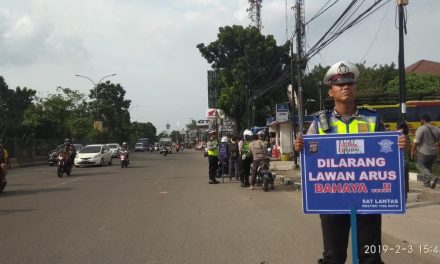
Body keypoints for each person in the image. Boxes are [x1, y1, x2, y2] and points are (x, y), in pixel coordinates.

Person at [294, 61, 408, 264]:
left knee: (370, 258)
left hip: (368, 199)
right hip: (331, 199)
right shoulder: (319, 123)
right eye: (339, 85)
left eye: (349, 83)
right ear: (331, 92)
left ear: (356, 89)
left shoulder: (373, 119)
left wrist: (399, 145)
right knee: (333, 257)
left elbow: (388, 156)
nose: (345, 87)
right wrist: (300, 149)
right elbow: (309, 164)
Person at [411, 114, 440, 189]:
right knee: (427, 168)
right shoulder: (437, 128)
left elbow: (416, 141)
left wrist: (412, 151)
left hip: (423, 152)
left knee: (420, 166)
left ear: (423, 120)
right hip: (434, 153)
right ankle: (427, 184)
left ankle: (432, 177)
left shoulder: (421, 128)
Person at [398, 123, 410, 200]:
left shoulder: (400, 138)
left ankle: (402, 197)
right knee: (405, 179)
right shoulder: (408, 138)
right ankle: (405, 196)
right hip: (406, 162)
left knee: (401, 181)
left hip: (400, 162)